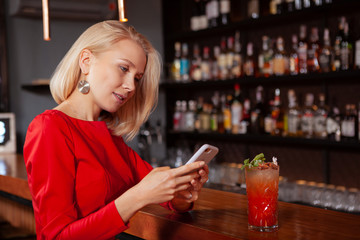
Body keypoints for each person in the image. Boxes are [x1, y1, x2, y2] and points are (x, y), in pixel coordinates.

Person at [23, 20, 209, 240]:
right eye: (123, 68)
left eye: (137, 78)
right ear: (86, 61)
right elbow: (55, 237)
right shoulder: (50, 128)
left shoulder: (109, 137)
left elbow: (164, 194)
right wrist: (137, 197)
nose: (131, 86)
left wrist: (182, 194)